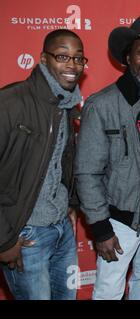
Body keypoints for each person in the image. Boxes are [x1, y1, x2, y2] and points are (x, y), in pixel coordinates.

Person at [74, 15, 140, 300]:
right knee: (109, 289)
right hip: (121, 221)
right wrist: (100, 227)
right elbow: (86, 173)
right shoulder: (102, 105)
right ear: (127, 58)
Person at [0, 29, 85, 300]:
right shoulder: (11, 102)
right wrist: (3, 239)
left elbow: (62, 162)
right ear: (43, 59)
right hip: (25, 235)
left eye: (78, 59)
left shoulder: (68, 104)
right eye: (62, 56)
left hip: (61, 228)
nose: (72, 65)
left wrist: (70, 203)